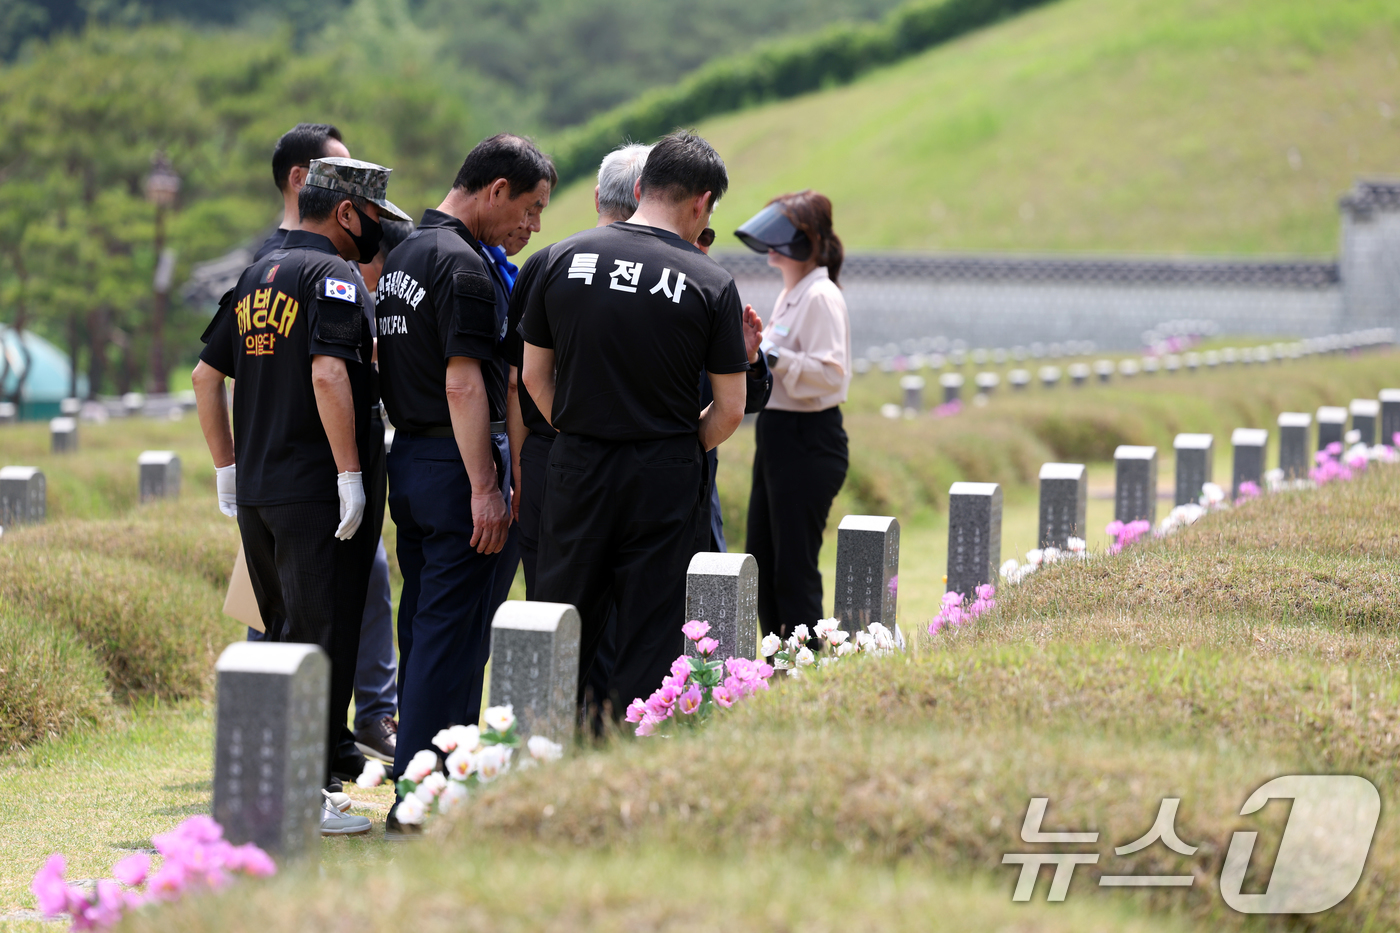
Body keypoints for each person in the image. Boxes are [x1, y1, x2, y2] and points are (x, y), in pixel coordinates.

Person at [192, 157, 413, 836]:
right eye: (373, 218)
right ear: (348, 213)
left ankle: (278, 782)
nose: (374, 234)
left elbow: (206, 376)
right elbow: (327, 373)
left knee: (282, 633)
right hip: (316, 493)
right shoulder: (333, 275)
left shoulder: (258, 273)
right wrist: (351, 473)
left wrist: (228, 469)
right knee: (320, 640)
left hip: (260, 491)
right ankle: (304, 791)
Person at [522, 131, 749, 719]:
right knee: (650, 630)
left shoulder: (556, 259)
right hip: (663, 476)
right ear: (702, 204)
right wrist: (678, 442)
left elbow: (533, 377)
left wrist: (580, 429)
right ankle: (633, 763)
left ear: (641, 186)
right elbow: (728, 408)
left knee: (561, 619)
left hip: (576, 465)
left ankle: (539, 761)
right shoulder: (710, 283)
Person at [374, 134, 554, 834]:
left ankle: (414, 779)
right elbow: (464, 381)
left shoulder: (404, 256)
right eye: (532, 208)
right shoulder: (469, 269)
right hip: (456, 465)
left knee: (423, 624)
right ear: (495, 189)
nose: (533, 226)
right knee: (452, 636)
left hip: (411, 461)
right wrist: (487, 483)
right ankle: (424, 797)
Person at [734, 191, 851, 638]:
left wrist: (774, 354)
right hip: (779, 433)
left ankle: (803, 672)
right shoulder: (794, 292)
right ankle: (780, 669)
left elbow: (831, 377)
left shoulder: (820, 295)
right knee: (764, 562)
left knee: (793, 569)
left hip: (808, 435)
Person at [350, 215, 415, 765]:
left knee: (373, 582)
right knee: (284, 608)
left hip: (359, 473)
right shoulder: (336, 284)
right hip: (313, 476)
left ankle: (370, 717)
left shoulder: (372, 294)